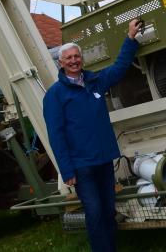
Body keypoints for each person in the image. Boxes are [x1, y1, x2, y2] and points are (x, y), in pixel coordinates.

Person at [43, 18, 142, 252]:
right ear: (61, 63)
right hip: (81, 167)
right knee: (95, 212)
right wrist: (66, 170)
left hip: (103, 161)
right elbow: (56, 135)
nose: (74, 61)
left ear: (82, 59)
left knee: (108, 210)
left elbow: (118, 68)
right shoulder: (55, 95)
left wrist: (130, 39)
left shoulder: (95, 81)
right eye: (69, 58)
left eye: (77, 57)